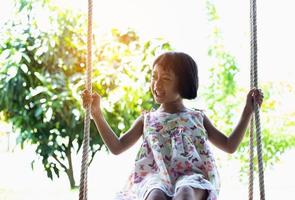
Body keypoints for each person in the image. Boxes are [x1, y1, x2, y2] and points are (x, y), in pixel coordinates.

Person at [81, 51, 264, 200]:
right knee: (155, 195)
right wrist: (97, 114)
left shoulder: (197, 118)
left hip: (192, 178)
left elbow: (229, 145)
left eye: (166, 79)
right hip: (155, 177)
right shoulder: (148, 119)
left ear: (183, 83)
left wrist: (248, 111)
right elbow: (117, 147)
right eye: (154, 77)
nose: (157, 84)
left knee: (185, 193)